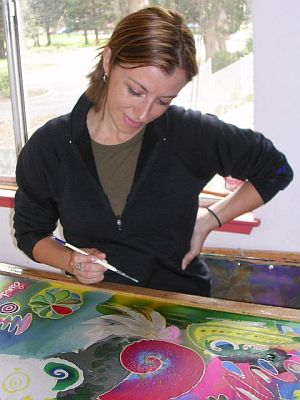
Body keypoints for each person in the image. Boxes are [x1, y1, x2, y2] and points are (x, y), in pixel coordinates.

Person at [14, 6, 293, 296]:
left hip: (183, 305)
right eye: (135, 91)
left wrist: (209, 219)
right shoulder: (51, 146)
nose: (144, 112)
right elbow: (30, 233)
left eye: (163, 100)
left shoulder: (191, 133)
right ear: (109, 61)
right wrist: (72, 261)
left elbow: (276, 170)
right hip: (97, 307)